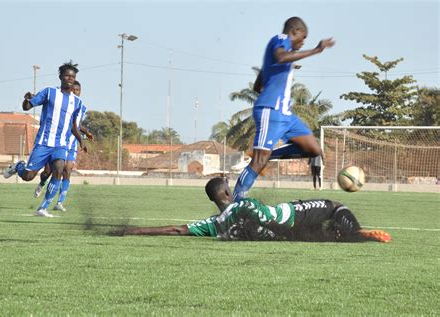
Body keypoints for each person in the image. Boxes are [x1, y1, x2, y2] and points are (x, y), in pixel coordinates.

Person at [233, 17, 335, 202]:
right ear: (294, 31)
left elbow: (258, 85)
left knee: (314, 150)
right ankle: (234, 204)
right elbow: (281, 56)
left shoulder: (282, 57)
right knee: (258, 162)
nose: (303, 42)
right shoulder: (280, 39)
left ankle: (268, 153)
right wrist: (316, 50)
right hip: (270, 111)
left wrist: (274, 77)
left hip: (286, 115)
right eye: (303, 37)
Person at [111, 177, 391, 243]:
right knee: (335, 206)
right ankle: (358, 231)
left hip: (294, 229)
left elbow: (176, 229)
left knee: (330, 233)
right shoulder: (244, 204)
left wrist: (130, 230)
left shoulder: (213, 223)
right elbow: (268, 219)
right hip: (296, 214)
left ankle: (347, 233)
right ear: (227, 193)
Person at [3, 61, 86, 217]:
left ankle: (43, 208)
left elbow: (74, 126)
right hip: (43, 143)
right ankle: (19, 166)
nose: (70, 78)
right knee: (28, 176)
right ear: (61, 77)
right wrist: (27, 99)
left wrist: (81, 140)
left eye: (73, 76)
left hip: (60, 145)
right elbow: (27, 107)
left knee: (59, 169)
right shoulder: (49, 92)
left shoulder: (77, 102)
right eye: (67, 75)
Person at [34, 81, 94, 213]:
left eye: (77, 90)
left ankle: (59, 202)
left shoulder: (81, 106)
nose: (75, 92)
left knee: (67, 170)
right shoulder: (62, 102)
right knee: (47, 172)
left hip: (71, 143)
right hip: (57, 141)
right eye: (73, 90)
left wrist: (85, 133)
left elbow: (76, 124)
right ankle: (42, 183)